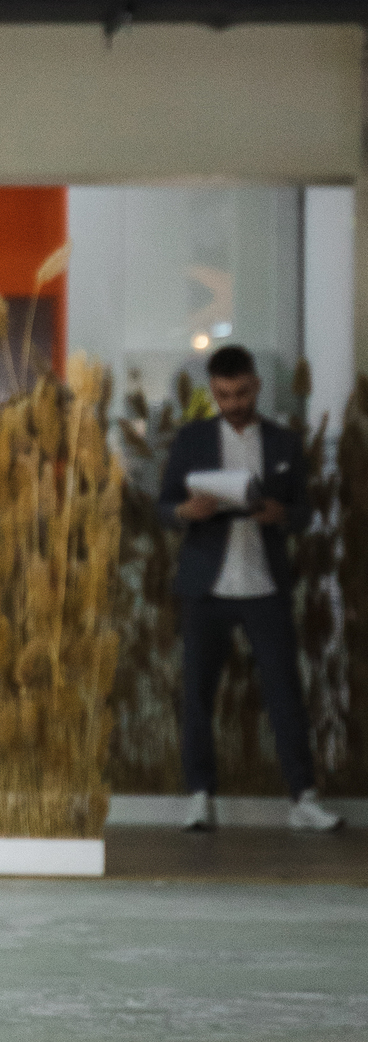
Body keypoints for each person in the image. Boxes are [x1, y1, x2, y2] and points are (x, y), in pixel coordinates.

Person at [158, 342, 339, 833]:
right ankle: (200, 797)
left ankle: (303, 798)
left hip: (265, 585)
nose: (233, 403)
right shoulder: (192, 439)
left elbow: (305, 512)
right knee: (197, 695)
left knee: (285, 693)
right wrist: (186, 511)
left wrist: (282, 514)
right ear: (212, 392)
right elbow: (164, 505)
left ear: (256, 386)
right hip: (206, 586)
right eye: (223, 395)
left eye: (240, 393)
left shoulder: (283, 442)